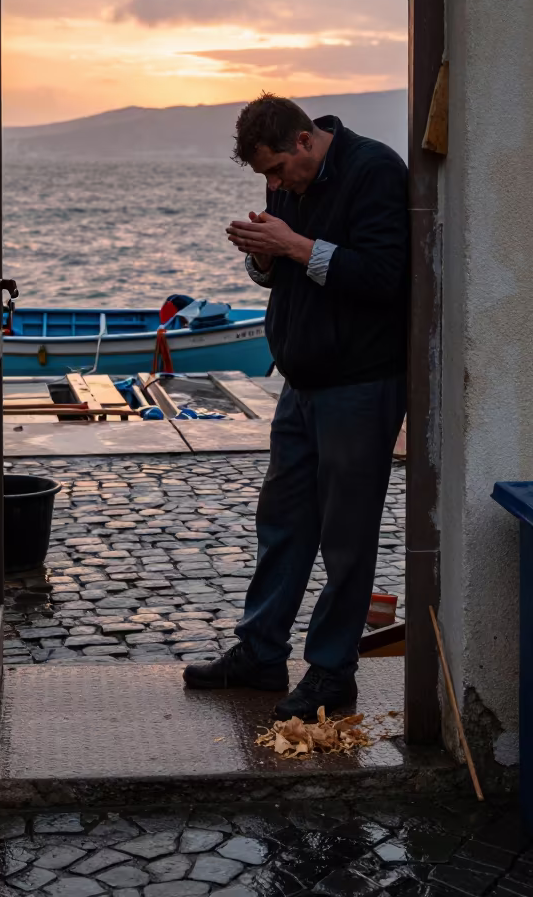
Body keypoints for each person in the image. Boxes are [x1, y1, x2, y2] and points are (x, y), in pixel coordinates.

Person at [183, 93, 408, 721]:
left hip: (361, 383)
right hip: (302, 382)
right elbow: (284, 270)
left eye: (278, 170)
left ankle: (333, 673)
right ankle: (261, 652)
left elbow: (386, 276)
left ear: (304, 140)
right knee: (281, 521)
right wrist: (263, 254)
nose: (275, 183)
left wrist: (295, 245)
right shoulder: (290, 182)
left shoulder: (376, 171)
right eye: (266, 178)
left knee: (346, 536)